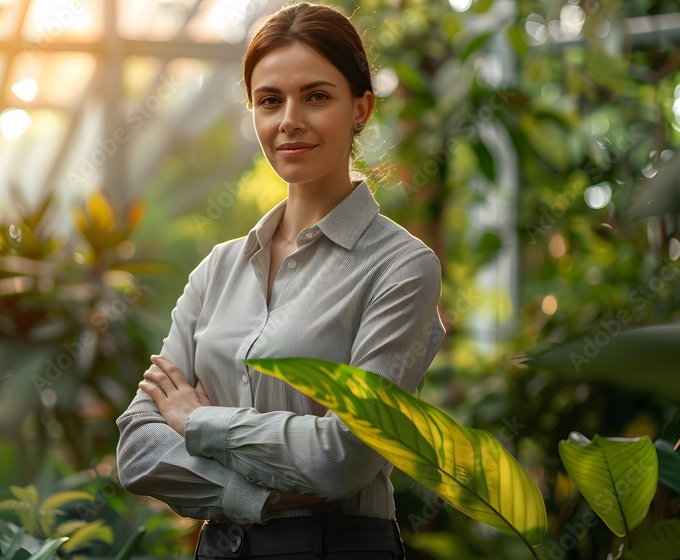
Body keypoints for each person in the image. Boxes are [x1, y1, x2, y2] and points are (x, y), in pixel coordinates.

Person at [115, 3, 444, 558]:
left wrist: (199, 420)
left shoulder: (401, 268)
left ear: (361, 108)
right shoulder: (217, 270)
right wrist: (257, 498)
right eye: (270, 101)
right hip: (221, 546)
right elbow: (138, 449)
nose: (289, 119)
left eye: (316, 96)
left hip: (336, 547)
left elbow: (344, 457)